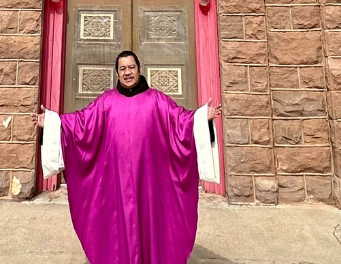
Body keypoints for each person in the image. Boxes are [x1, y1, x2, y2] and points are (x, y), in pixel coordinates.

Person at [33, 50, 222, 264]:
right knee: (119, 223)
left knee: (148, 220)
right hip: (116, 179)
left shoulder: (157, 100)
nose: (127, 72)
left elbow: (181, 121)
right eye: (122, 69)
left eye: (131, 67)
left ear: (139, 69)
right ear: (117, 73)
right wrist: (49, 122)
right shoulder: (106, 102)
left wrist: (201, 118)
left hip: (149, 180)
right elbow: (80, 124)